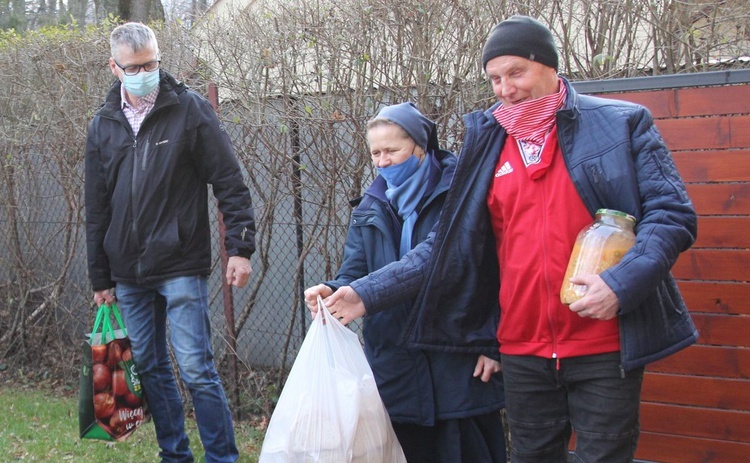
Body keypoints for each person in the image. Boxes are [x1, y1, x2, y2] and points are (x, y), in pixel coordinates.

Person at [320, 16, 699, 462]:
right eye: (494, 78)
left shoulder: (620, 124)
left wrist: (622, 284)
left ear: (549, 65)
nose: (504, 89)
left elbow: (671, 214)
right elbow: (444, 248)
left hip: (603, 341)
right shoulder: (486, 145)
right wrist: (363, 293)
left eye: (515, 73)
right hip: (521, 349)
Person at [84, 22, 255, 463]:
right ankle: (174, 455)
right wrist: (100, 276)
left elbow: (229, 181)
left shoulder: (190, 110)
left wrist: (240, 247)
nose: (145, 72)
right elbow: (96, 205)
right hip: (128, 272)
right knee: (153, 369)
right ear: (114, 67)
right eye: (135, 66)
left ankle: (222, 458)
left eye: (152, 64)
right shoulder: (102, 124)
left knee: (197, 368)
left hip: (180, 263)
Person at [304, 102, 507, 462]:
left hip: (458, 363)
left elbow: (490, 272)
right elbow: (355, 272)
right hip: (396, 368)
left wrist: (492, 342)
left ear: (419, 146)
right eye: (375, 153)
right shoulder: (369, 207)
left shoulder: (462, 196)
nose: (382, 161)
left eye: (391, 150)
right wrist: (333, 292)